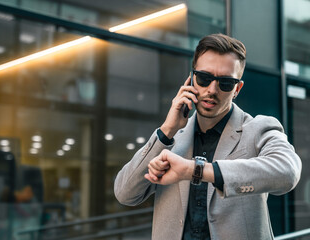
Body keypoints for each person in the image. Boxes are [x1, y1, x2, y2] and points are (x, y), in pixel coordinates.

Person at [114, 33, 302, 240]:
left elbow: (287, 172)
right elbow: (125, 194)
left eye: (225, 83)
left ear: (237, 89)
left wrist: (196, 170)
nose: (212, 90)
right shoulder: (171, 138)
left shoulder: (258, 128)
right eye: (204, 78)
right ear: (192, 78)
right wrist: (167, 130)